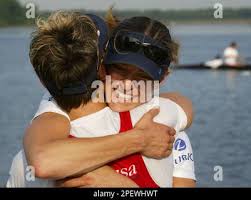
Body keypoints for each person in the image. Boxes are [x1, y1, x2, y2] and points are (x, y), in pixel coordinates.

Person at [6, 11, 194, 187]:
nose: (128, 85)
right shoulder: (161, 127)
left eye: (141, 78)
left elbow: (182, 106)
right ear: (102, 67)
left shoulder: (164, 123)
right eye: (120, 71)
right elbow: (43, 162)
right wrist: (140, 140)